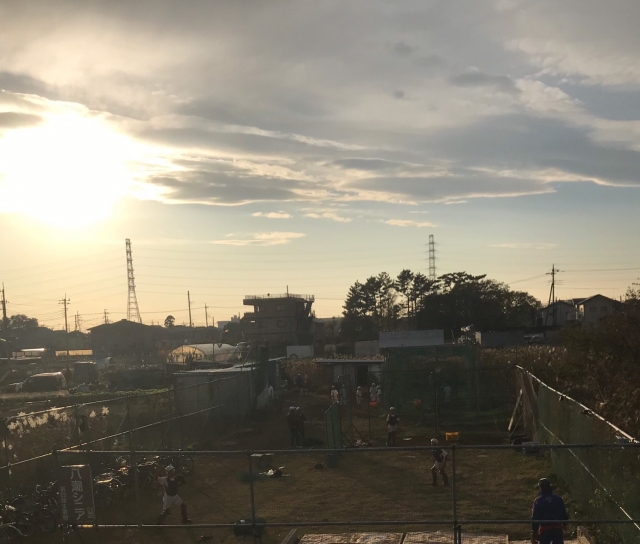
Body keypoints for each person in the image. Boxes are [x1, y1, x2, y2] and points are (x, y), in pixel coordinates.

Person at [531, 478, 568, 544]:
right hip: (557, 528)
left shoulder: (538, 501)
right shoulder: (558, 499)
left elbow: (535, 517)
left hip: (545, 529)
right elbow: (563, 512)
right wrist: (564, 524)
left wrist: (534, 531)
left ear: (541, 488)